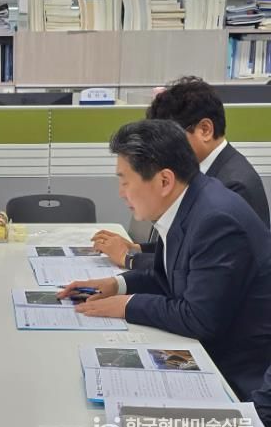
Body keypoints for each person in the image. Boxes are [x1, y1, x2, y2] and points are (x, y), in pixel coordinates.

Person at [58, 119, 271, 401]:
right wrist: (116, 285)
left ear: (164, 181)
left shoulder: (215, 219)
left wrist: (126, 305)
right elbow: (167, 277)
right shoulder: (188, 203)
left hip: (237, 379)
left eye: (125, 180)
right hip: (208, 353)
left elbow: (199, 318)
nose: (121, 192)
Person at [93, 76, 270, 270]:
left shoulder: (233, 186)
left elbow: (207, 264)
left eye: (171, 137)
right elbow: (187, 246)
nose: (162, 150)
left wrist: (128, 258)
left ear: (205, 130)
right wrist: (137, 248)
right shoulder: (206, 171)